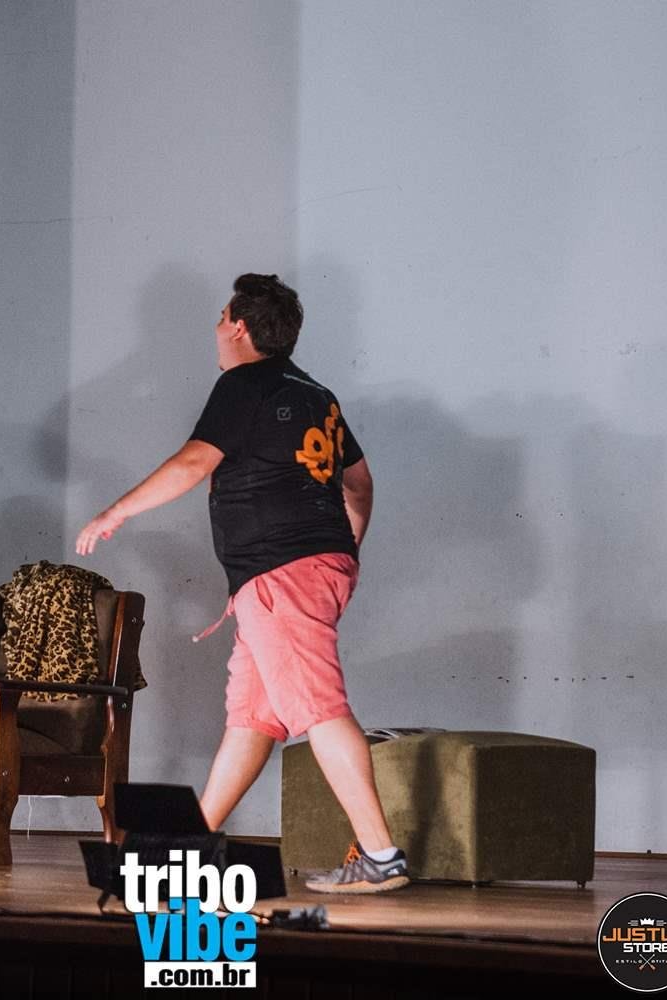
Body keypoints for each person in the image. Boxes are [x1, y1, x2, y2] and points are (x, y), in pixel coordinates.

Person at [75, 274, 407, 893]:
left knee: (319, 708)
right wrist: (342, 551)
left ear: (238, 326)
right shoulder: (317, 395)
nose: (216, 329)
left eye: (220, 318)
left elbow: (195, 461)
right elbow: (358, 484)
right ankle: (185, 851)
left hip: (282, 575)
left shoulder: (244, 384)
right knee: (252, 719)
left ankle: (382, 855)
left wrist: (116, 512)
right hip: (288, 577)